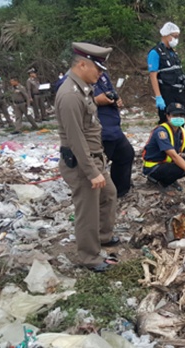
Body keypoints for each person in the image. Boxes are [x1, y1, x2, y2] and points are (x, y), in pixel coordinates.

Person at [56, 42, 118, 272]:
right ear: (82, 64)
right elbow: (75, 138)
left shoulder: (82, 88)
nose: (101, 74)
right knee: (87, 211)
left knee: (109, 194)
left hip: (94, 157)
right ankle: (89, 256)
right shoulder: (70, 95)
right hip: (82, 162)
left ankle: (102, 237)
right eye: (98, 69)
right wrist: (92, 172)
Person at [93, 71, 134, 198]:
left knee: (126, 154)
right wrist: (96, 100)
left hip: (114, 128)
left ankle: (120, 191)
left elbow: (111, 92)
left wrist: (116, 99)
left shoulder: (102, 75)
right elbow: (78, 99)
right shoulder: (74, 80)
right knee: (98, 166)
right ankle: (99, 197)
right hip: (100, 130)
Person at [148, 22, 185, 123]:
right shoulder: (155, 53)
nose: (176, 39)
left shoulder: (173, 53)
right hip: (167, 94)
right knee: (167, 123)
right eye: (174, 36)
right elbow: (153, 76)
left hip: (179, 94)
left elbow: (177, 71)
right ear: (166, 35)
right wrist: (158, 96)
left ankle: (178, 139)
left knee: (180, 122)